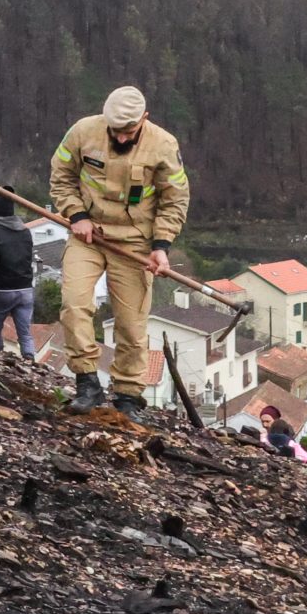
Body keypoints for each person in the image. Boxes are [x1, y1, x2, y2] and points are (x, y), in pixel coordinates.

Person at [50, 84, 190, 415]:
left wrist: (161, 246)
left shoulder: (164, 145)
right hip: (89, 235)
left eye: (129, 131)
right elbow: (61, 176)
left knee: (131, 323)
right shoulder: (83, 131)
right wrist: (77, 215)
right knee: (74, 304)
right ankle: (86, 382)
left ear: (144, 118)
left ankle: (128, 396)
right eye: (116, 131)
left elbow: (175, 199)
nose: (123, 138)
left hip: (135, 242)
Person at [0, 189, 38, 358]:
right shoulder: (25, 232)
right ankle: (30, 363)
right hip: (25, 290)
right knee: (25, 333)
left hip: (2, 291)